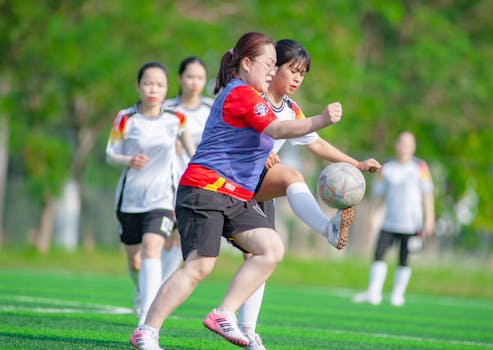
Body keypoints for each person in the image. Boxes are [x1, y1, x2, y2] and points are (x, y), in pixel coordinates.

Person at [129, 31, 343, 350]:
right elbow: (278, 129)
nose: (272, 72)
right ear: (246, 63)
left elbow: (282, 129)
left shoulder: (256, 97)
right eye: (268, 65)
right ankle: (146, 331)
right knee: (200, 265)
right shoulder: (240, 93)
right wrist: (321, 119)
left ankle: (223, 313)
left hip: (236, 196)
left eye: (275, 66)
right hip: (204, 189)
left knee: (270, 248)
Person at [235, 39, 381, 350]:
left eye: (304, 73)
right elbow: (232, 135)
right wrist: (261, 155)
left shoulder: (291, 110)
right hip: (228, 183)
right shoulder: (250, 96)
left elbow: (316, 144)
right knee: (291, 175)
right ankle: (327, 228)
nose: (299, 78)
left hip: (257, 188)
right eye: (293, 70)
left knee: (259, 258)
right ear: (272, 68)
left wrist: (355, 163)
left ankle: (248, 331)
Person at [105, 61, 195, 326]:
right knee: (135, 262)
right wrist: (128, 160)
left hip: (163, 199)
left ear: (167, 88)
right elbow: (110, 153)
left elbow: (191, 151)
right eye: (148, 83)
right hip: (130, 199)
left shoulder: (175, 119)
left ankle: (147, 319)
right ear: (138, 86)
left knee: (152, 247)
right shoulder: (125, 117)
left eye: (159, 84)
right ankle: (140, 291)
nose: (153, 89)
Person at [352, 131, 435, 306]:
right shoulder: (387, 168)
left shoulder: (420, 167)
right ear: (396, 145)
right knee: (379, 253)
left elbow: (427, 194)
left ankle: (398, 294)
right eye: (401, 143)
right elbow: (379, 196)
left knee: (404, 258)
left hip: (412, 223)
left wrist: (430, 219)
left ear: (413, 147)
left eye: (408, 143)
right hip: (389, 221)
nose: (404, 147)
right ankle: (373, 292)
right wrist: (374, 216)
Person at [161, 57, 214, 283]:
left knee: (181, 237)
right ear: (180, 78)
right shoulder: (166, 109)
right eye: (190, 77)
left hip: (197, 183)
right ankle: (150, 289)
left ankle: (156, 291)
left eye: (200, 78)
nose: (195, 82)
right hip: (166, 182)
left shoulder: (211, 108)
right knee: (158, 240)